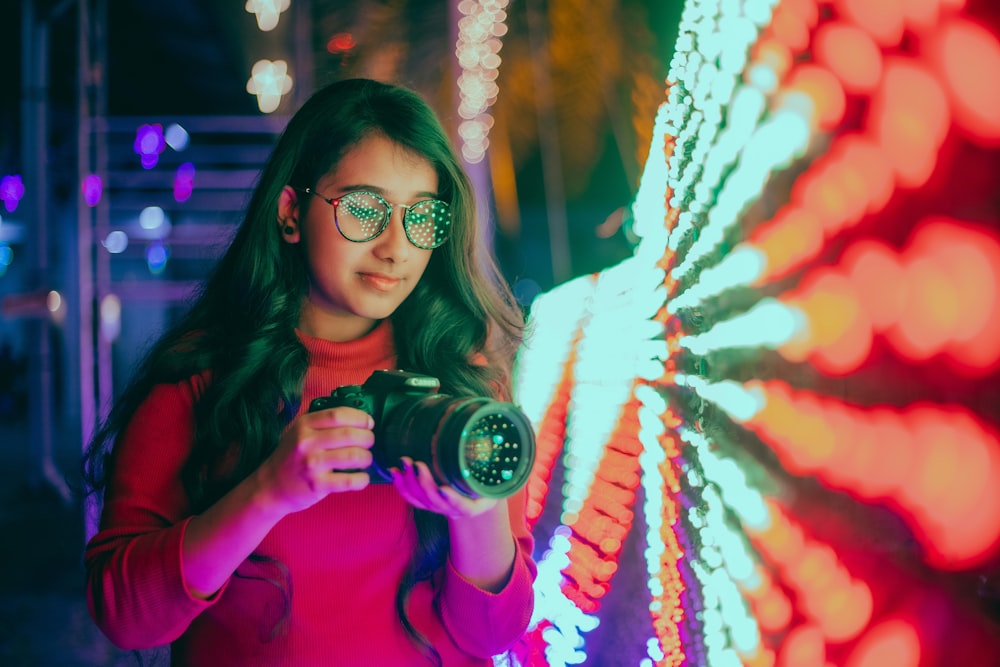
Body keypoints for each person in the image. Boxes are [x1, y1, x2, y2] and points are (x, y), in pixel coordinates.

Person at [82, 78, 536, 667]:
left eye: (422, 217)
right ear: (292, 213)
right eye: (365, 210)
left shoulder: (467, 394)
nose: (396, 248)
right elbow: (123, 616)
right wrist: (267, 492)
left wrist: (476, 514)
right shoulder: (201, 379)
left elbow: (493, 637)